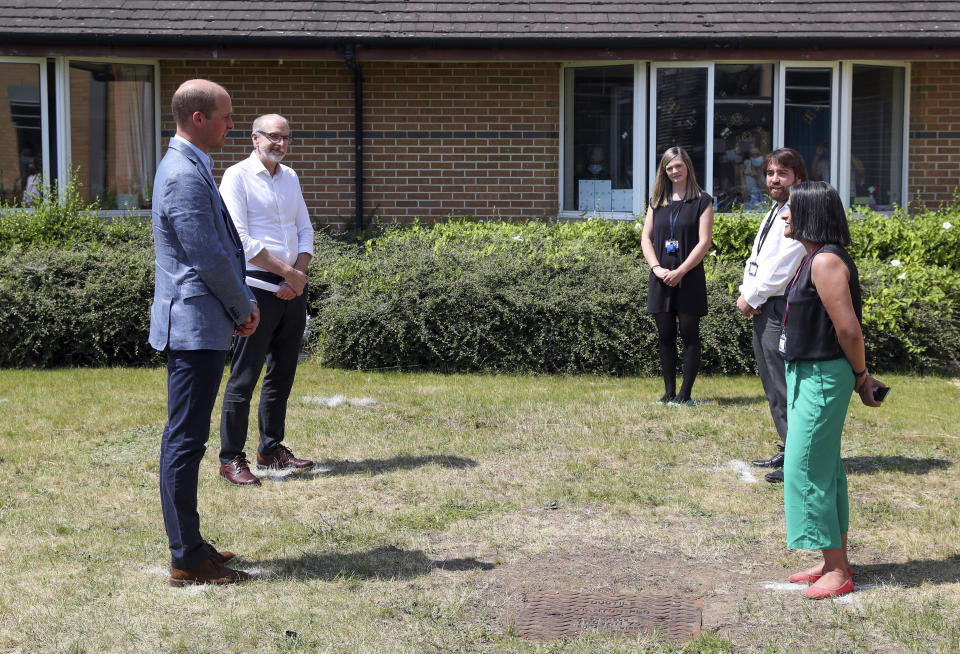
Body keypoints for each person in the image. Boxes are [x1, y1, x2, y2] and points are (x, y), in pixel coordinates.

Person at [149, 79, 259, 586]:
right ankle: (187, 559)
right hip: (194, 327)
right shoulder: (182, 175)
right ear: (198, 118)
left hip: (203, 324)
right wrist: (243, 303)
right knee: (185, 441)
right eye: (225, 115)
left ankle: (191, 545)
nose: (232, 124)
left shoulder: (190, 166)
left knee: (187, 439)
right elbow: (207, 256)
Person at [778, 181, 884, 599]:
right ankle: (830, 558)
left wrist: (861, 377)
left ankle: (839, 572)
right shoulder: (813, 258)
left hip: (823, 376)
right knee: (823, 467)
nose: (784, 214)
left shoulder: (825, 262)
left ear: (812, 215)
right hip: (807, 372)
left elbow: (848, 330)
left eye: (791, 208)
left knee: (805, 468)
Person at [218, 114, 315, 485]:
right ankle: (231, 458)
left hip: (293, 291)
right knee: (244, 377)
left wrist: (298, 274)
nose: (280, 143)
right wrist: (289, 274)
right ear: (254, 139)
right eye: (273, 136)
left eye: (285, 138)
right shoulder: (237, 177)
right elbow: (240, 240)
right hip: (255, 290)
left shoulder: (290, 178)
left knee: (282, 373)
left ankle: (271, 448)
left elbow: (304, 230)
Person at [736, 148, 807, 483]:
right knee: (770, 381)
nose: (774, 180)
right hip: (764, 303)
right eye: (770, 174)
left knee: (782, 383)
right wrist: (747, 291)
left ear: (798, 178)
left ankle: (798, 459)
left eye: (783, 174)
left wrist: (753, 296)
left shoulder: (799, 212)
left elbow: (782, 268)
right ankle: (787, 446)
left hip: (778, 307)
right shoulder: (776, 210)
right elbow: (759, 258)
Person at [641, 146, 714, 405]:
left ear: (688, 167)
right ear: (664, 171)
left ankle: (685, 394)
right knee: (664, 335)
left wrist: (681, 271)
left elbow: (704, 242)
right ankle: (669, 392)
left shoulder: (702, 200)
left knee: (689, 333)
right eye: (669, 167)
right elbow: (646, 239)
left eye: (678, 166)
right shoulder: (656, 200)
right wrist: (657, 269)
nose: (674, 171)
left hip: (689, 278)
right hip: (661, 278)